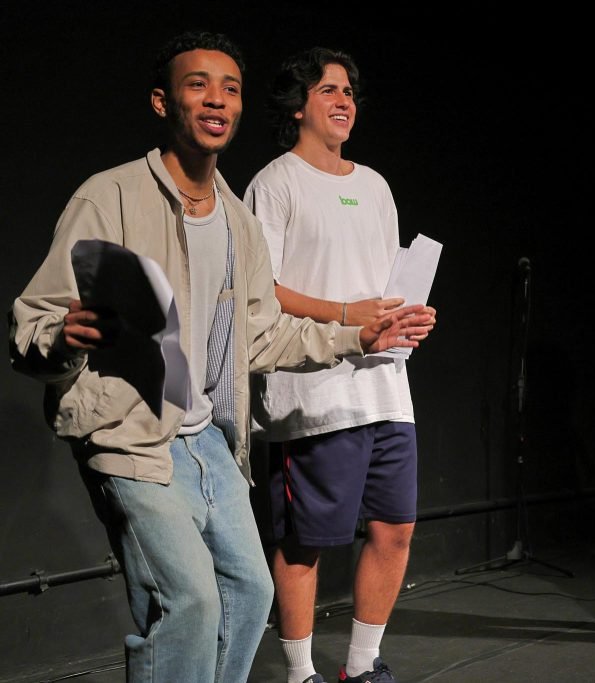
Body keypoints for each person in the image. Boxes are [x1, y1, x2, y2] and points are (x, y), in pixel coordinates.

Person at [8, 32, 431, 683]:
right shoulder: (111, 196)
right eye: (199, 84)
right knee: (191, 602)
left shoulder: (235, 220)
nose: (217, 99)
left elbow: (264, 335)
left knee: (248, 594)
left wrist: (356, 337)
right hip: (131, 434)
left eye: (230, 87)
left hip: (210, 438)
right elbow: (31, 325)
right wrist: (65, 338)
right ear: (162, 101)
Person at [243, 47, 434, 683]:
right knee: (306, 542)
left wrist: (404, 319)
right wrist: (348, 314)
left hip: (387, 390)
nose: (344, 100)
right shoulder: (275, 183)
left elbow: (386, 283)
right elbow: (261, 288)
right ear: (299, 105)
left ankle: (360, 667)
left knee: (396, 529)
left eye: (349, 90)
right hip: (312, 392)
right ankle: (300, 674)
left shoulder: (374, 185)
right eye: (329, 89)